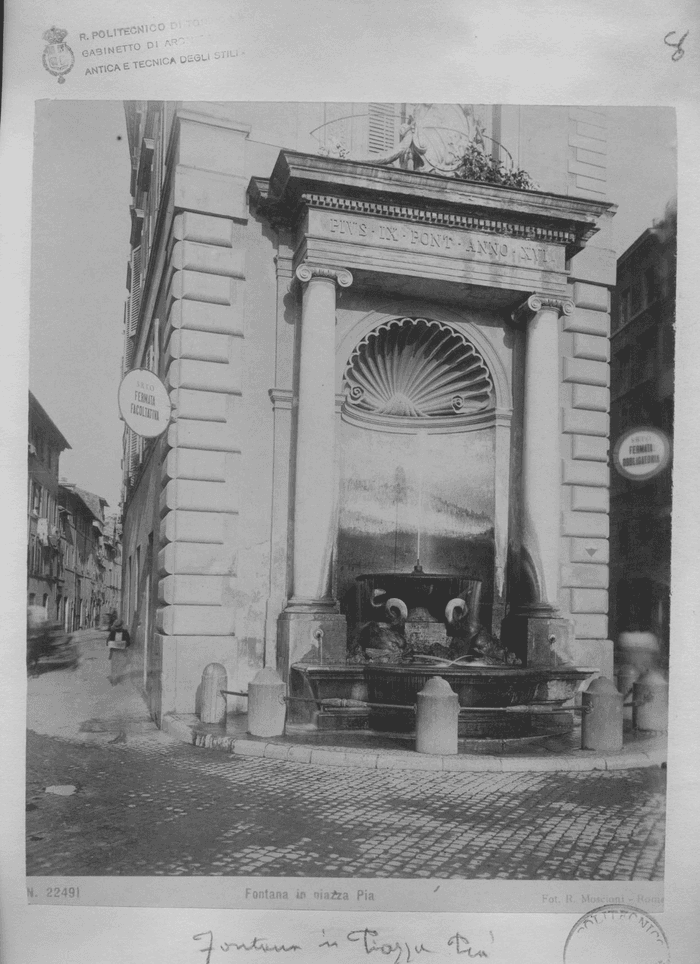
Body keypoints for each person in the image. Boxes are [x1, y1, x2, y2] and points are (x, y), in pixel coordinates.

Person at [106, 618, 131, 685]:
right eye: (116, 628)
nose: (117, 629)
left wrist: (124, 644)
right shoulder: (112, 633)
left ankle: (119, 679)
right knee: (114, 666)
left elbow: (128, 642)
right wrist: (111, 643)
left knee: (121, 666)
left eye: (118, 628)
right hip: (114, 652)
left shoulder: (125, 633)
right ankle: (114, 680)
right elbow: (107, 642)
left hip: (122, 652)